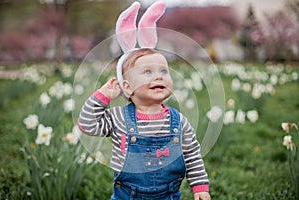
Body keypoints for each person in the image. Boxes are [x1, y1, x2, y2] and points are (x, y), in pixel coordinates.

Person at [77, 1, 211, 200]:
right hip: (127, 195)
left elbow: (192, 155)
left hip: (169, 195)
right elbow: (87, 125)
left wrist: (200, 187)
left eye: (163, 71)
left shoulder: (178, 121)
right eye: (147, 72)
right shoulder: (119, 118)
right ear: (127, 86)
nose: (158, 76)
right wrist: (102, 96)